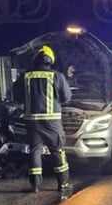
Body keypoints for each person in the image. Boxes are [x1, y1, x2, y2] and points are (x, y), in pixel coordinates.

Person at [13, 46, 72, 193]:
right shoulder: (56, 76)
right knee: (57, 150)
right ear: (50, 60)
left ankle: (35, 185)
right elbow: (66, 97)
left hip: (32, 121)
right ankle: (62, 183)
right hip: (52, 122)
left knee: (34, 151)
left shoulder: (25, 76)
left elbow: (17, 97)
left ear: (36, 59)